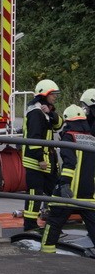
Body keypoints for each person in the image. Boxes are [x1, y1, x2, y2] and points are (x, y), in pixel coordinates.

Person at [41, 104, 95, 253]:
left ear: (67, 121)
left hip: (69, 192)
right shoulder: (92, 139)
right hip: (88, 195)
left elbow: (70, 163)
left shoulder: (69, 136)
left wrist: (64, 184)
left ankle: (46, 254)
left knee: (53, 222)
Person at [22, 79, 62, 232]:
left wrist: (50, 112)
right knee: (35, 193)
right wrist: (40, 159)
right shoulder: (35, 113)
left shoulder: (44, 112)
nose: (55, 97)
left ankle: (54, 222)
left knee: (55, 192)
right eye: (53, 94)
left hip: (47, 161)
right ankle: (30, 225)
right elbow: (34, 137)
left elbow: (59, 124)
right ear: (44, 94)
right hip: (36, 161)